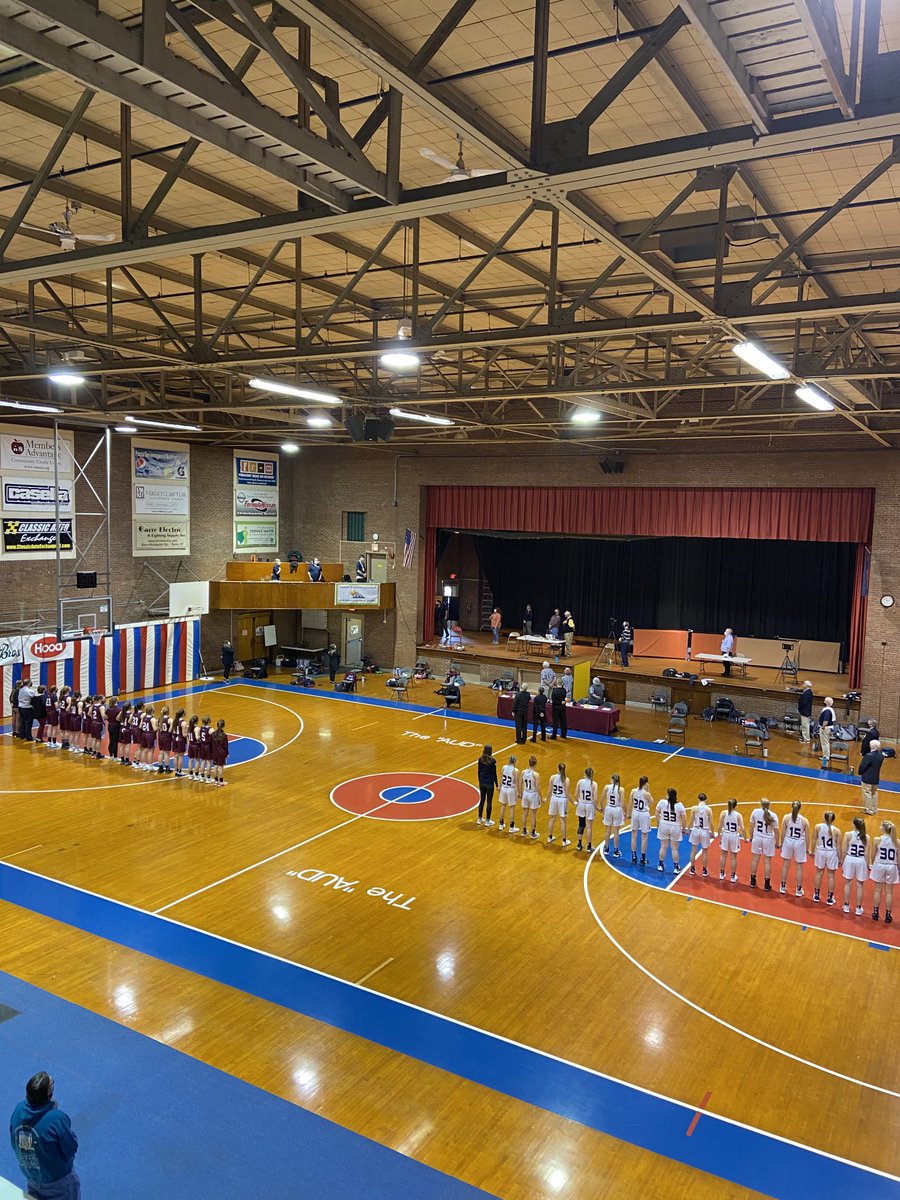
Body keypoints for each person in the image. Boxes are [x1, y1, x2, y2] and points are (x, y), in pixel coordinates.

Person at [9, 1071, 79, 1200]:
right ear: (49, 1094)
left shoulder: (18, 1110)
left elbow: (14, 1141)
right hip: (58, 1181)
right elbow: (71, 1148)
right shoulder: (56, 1119)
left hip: (32, 1176)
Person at [779, 801, 810, 897]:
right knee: (799, 868)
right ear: (800, 808)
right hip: (799, 842)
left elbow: (783, 833)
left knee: (785, 865)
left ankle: (783, 886)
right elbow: (807, 837)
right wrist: (807, 849)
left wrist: (782, 844)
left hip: (788, 840)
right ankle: (798, 889)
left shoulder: (786, 817)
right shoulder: (805, 820)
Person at [842, 816, 870, 915]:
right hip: (861, 860)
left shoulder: (848, 834)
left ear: (854, 824)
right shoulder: (866, 837)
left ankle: (846, 906)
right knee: (860, 885)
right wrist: (867, 865)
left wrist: (842, 861)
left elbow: (844, 850)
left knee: (848, 883)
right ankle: (858, 908)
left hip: (850, 859)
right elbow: (866, 854)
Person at [871, 820, 897, 923]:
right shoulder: (897, 841)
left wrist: (872, 864)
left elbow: (873, 854)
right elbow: (898, 857)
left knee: (878, 890)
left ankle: (875, 913)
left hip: (879, 864)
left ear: (883, 828)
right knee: (889, 892)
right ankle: (888, 915)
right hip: (891, 866)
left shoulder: (877, 839)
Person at [749, 797, 778, 890]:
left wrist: (751, 837)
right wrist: (777, 842)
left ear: (760, 804)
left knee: (755, 860)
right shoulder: (773, 815)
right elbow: (776, 831)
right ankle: (766, 884)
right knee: (767, 862)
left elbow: (751, 826)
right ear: (769, 805)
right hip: (768, 839)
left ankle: (752, 881)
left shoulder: (755, 812)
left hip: (757, 837)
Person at [813, 811, 841, 906]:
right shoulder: (837, 831)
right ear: (833, 819)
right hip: (831, 853)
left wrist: (812, 851)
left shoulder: (817, 827)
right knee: (831, 876)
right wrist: (840, 858)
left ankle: (816, 895)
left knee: (819, 873)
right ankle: (829, 898)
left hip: (820, 851)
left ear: (824, 818)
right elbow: (838, 846)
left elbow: (814, 839)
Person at [656, 788, 685, 873]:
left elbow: (656, 814)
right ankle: (676, 867)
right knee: (674, 849)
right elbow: (684, 819)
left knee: (663, 846)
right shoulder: (679, 805)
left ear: (668, 795)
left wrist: (658, 824)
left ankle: (660, 865)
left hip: (663, 825)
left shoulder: (662, 802)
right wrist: (684, 828)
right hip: (675, 826)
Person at [718, 798, 745, 883]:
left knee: (723, 855)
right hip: (733, 835)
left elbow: (719, 826)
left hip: (725, 834)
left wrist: (719, 836)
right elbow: (743, 828)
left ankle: (722, 874)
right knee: (733, 857)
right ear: (736, 806)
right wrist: (745, 838)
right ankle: (732, 876)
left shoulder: (723, 813)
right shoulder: (738, 815)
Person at [688, 793, 714, 877]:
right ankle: (704, 870)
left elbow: (691, 821)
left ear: (698, 799)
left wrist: (688, 829)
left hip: (696, 830)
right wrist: (712, 833)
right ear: (706, 800)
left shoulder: (694, 808)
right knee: (705, 851)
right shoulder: (709, 810)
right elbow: (711, 823)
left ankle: (692, 868)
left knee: (693, 850)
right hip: (704, 831)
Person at [629, 775, 653, 865]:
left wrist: (628, 814)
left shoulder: (633, 791)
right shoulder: (646, 794)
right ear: (646, 783)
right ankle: (643, 858)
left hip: (635, 813)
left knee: (633, 836)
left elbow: (630, 804)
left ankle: (633, 856)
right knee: (644, 837)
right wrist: (648, 789)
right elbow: (651, 802)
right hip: (643, 814)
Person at [546, 763, 571, 846]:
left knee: (552, 819)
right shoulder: (566, 780)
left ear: (558, 769)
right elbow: (567, 794)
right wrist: (572, 802)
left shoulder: (552, 777)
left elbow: (549, 791)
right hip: (562, 800)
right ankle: (564, 841)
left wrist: (546, 798)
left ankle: (549, 837)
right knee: (562, 821)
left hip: (554, 798)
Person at [858, 738, 885, 815]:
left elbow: (863, 766)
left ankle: (869, 809)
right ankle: (874, 808)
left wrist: (860, 772)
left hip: (867, 778)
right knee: (874, 793)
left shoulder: (868, 756)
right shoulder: (881, 756)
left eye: (870, 745)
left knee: (867, 793)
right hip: (875, 778)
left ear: (872, 746)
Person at [601, 772, 625, 857]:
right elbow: (623, 803)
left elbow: (601, 801)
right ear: (618, 781)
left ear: (611, 780)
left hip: (608, 808)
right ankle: (615, 851)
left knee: (607, 830)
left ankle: (606, 849)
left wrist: (603, 810)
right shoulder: (621, 789)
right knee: (616, 832)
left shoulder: (606, 787)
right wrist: (625, 812)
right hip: (617, 809)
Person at [575, 766, 598, 852]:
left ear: (585, 773)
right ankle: (589, 846)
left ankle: (579, 844)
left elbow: (575, 794)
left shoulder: (580, 782)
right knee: (589, 827)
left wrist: (579, 801)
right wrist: (596, 808)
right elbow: (595, 798)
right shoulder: (594, 784)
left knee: (581, 824)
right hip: (589, 805)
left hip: (581, 804)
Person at [520, 756, 542, 839]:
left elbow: (520, 783)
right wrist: (540, 797)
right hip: (533, 794)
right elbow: (537, 787)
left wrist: (520, 793)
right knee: (533, 814)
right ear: (535, 764)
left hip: (525, 793)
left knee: (525, 813)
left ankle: (524, 830)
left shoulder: (523, 772)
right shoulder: (536, 774)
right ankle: (533, 833)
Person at [476, 745, 498, 827]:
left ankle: (480, 818)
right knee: (489, 801)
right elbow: (494, 774)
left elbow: (478, 771)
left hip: (482, 782)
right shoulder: (493, 760)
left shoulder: (480, 759)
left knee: (482, 800)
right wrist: (497, 784)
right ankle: (488, 821)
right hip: (489, 783)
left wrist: (480, 780)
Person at [497, 754, 519, 833]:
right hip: (511, 789)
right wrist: (518, 793)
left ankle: (501, 824)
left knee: (503, 806)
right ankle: (512, 827)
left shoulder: (504, 767)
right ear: (515, 761)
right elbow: (516, 783)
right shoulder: (515, 770)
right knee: (512, 807)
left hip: (503, 788)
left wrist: (499, 787)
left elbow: (501, 778)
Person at [818, 696, 836, 767]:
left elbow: (825, 720)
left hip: (825, 728)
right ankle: (826, 755)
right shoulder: (830, 709)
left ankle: (825, 756)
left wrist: (823, 727)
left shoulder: (827, 711)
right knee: (826, 742)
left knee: (824, 743)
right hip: (829, 728)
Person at [211, 718, 229, 786]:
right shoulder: (224, 735)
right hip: (221, 754)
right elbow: (226, 746)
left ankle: (216, 780)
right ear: (223, 726)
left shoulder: (213, 734)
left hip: (214, 753)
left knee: (215, 766)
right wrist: (227, 754)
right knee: (220, 767)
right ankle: (221, 781)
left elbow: (210, 743)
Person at [17, 676, 36, 741]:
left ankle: (22, 735)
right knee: (28, 722)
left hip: (21, 707)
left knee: (22, 721)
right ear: (28, 683)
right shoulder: (30, 691)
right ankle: (28, 736)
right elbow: (34, 699)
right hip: (27, 708)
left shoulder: (21, 690)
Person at [156, 706, 173, 774]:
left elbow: (157, 726)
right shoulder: (170, 719)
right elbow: (170, 729)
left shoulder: (159, 718)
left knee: (161, 752)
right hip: (166, 737)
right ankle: (167, 768)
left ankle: (160, 767)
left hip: (160, 736)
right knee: (166, 753)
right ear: (168, 712)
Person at [172, 709, 187, 778]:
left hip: (175, 739)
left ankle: (176, 770)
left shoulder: (174, 721)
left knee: (176, 756)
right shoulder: (183, 723)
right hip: (181, 739)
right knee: (181, 756)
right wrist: (189, 734)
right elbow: (184, 734)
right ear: (183, 714)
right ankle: (180, 771)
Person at [198, 715, 213, 782]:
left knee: (203, 761)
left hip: (202, 746)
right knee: (209, 762)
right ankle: (208, 777)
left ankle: (202, 776)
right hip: (208, 746)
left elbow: (198, 736)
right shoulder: (210, 729)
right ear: (209, 721)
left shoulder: (200, 728)